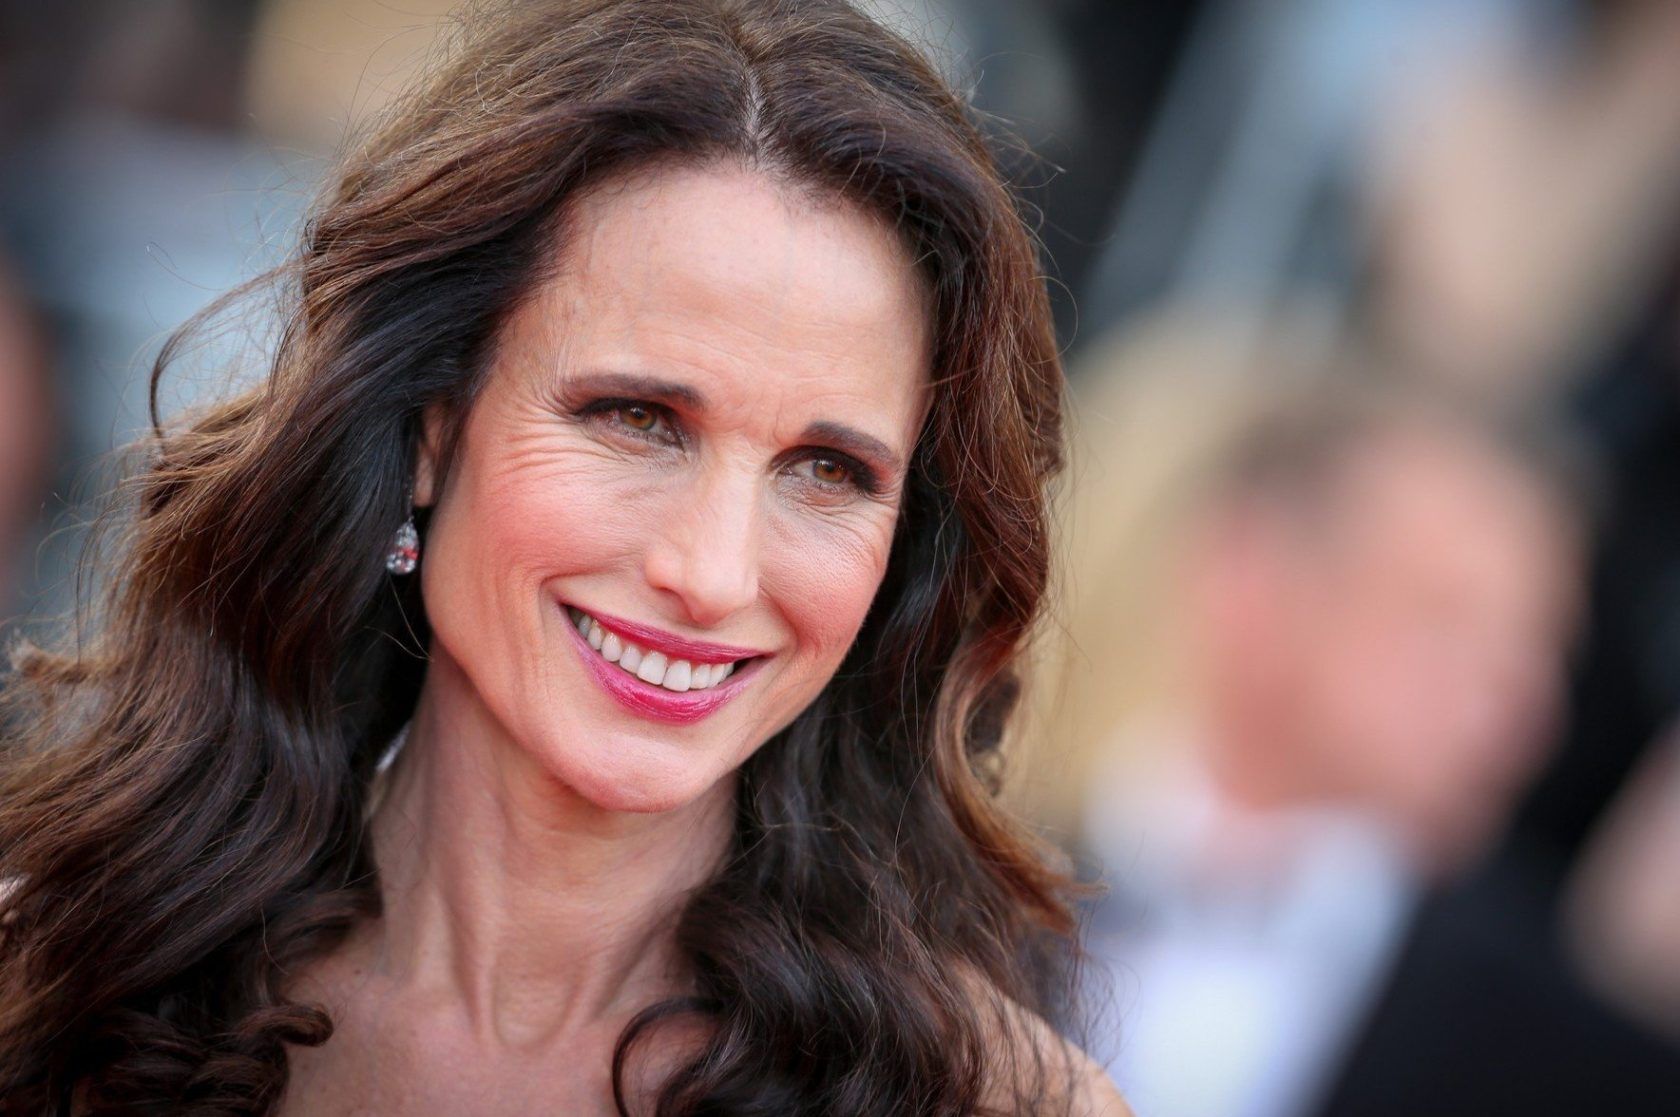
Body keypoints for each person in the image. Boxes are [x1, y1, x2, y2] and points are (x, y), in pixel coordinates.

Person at [0, 2, 1129, 1115]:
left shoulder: (984, 1100)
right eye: (638, 419)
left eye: (827, 469)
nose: (715, 570)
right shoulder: (56, 978)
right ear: (434, 428)